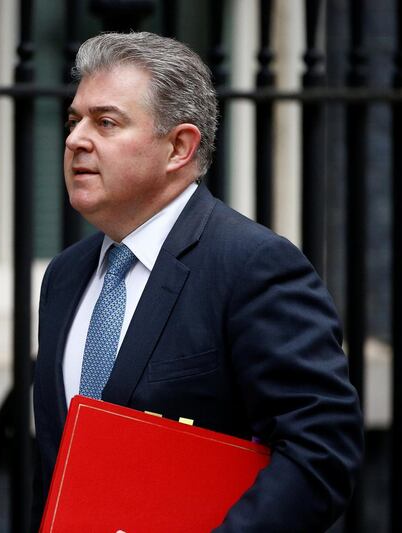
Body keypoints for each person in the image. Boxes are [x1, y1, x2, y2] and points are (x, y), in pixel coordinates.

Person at [31, 32, 363, 532]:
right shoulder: (65, 275)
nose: (76, 138)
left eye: (106, 122)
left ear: (179, 148)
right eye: (74, 120)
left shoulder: (252, 265)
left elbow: (321, 450)